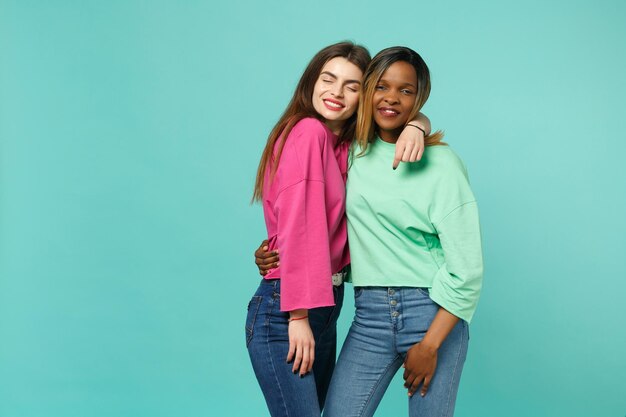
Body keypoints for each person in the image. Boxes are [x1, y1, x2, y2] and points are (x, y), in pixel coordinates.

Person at [255, 46, 483, 417]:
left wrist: (430, 345)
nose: (392, 97)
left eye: (406, 91)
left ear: (419, 97)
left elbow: (468, 271)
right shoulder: (354, 151)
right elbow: (306, 211)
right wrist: (275, 250)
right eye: (381, 87)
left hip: (432, 313)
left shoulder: (441, 164)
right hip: (369, 315)